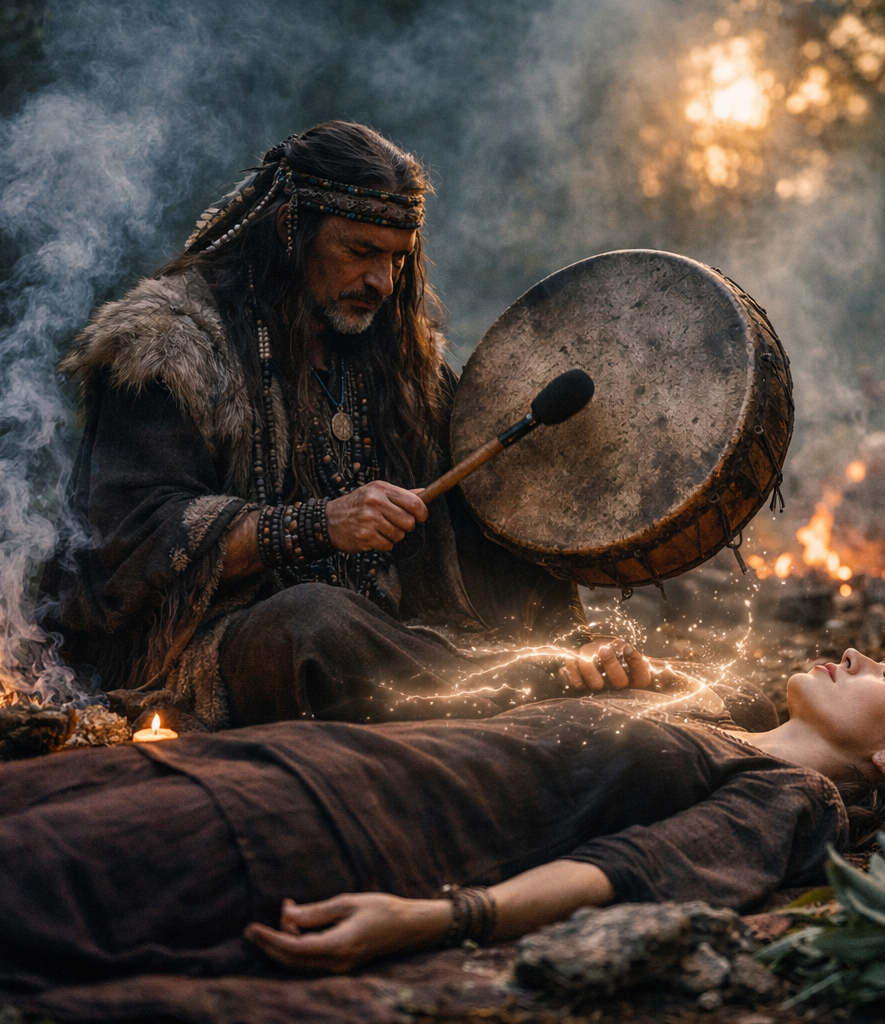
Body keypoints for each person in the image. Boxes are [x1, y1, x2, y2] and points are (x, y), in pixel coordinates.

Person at [0, 652, 885, 999]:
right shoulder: (726, 727)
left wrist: (433, 918)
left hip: (309, 840)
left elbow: (638, 876)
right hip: (285, 761)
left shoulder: (795, 798)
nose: (858, 653)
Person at [38, 121, 642, 730]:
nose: (382, 281)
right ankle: (521, 689)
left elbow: (485, 522)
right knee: (312, 625)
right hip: (200, 656)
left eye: (397, 259)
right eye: (360, 252)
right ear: (291, 233)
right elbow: (133, 536)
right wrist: (317, 525)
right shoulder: (171, 349)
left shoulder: (406, 362)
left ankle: (548, 676)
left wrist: (575, 641)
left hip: (395, 639)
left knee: (358, 624)